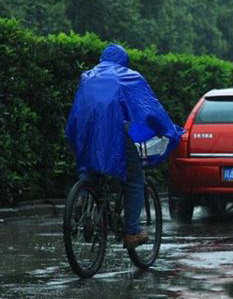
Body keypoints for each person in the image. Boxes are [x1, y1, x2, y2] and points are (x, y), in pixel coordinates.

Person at [65, 44, 183, 249]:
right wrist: (168, 130)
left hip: (85, 133)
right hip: (114, 135)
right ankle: (131, 232)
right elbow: (150, 108)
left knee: (91, 167)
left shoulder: (88, 77)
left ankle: (82, 198)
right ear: (124, 61)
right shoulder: (129, 77)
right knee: (135, 180)